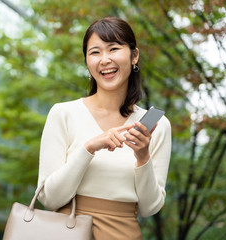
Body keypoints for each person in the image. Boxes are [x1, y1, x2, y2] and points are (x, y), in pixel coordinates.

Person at [37, 16, 172, 239]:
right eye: (95, 52)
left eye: (113, 49)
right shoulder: (63, 113)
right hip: (66, 232)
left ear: (134, 56)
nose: (105, 60)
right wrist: (88, 148)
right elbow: (49, 198)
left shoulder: (156, 125)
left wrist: (142, 156)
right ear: (87, 62)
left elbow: (150, 207)